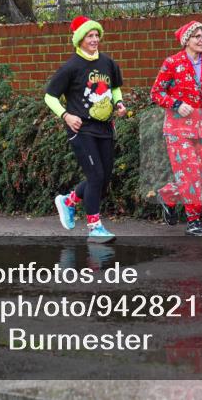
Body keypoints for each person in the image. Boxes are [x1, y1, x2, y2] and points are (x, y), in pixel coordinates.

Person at [47, 16, 127, 243]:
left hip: (105, 128)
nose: (94, 39)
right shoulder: (71, 67)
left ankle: (68, 201)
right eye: (89, 36)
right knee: (95, 176)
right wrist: (66, 115)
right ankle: (94, 227)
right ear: (80, 39)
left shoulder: (107, 63)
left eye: (96, 35)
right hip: (81, 129)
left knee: (103, 180)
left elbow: (115, 88)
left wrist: (119, 103)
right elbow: (49, 96)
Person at [150, 20, 202, 236]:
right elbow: (156, 93)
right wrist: (176, 104)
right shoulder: (172, 63)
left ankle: (168, 195)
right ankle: (193, 222)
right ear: (186, 40)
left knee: (199, 176)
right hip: (177, 129)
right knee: (191, 175)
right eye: (197, 36)